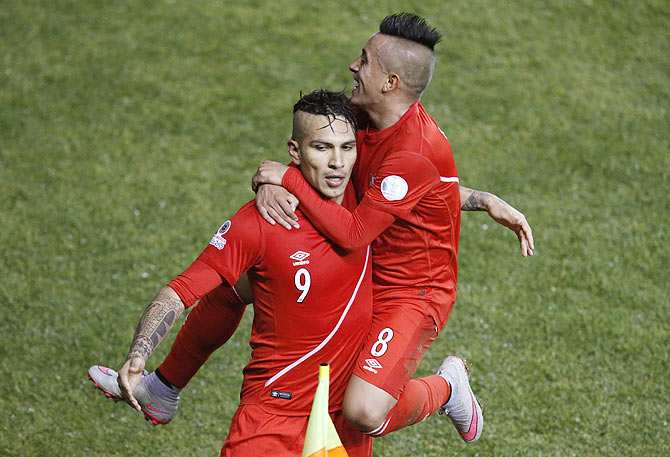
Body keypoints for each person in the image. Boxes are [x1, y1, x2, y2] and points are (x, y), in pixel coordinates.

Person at [93, 12, 533, 446]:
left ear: (391, 83)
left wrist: (285, 180)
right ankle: (164, 389)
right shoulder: (363, 118)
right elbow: (350, 164)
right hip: (364, 261)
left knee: (361, 410)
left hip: (411, 291)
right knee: (235, 284)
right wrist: (273, 180)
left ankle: (447, 388)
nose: (353, 66)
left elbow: (358, 229)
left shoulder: (415, 150)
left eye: (365, 60)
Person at [90, 90, 377, 456]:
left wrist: (475, 199)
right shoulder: (261, 222)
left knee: (239, 288)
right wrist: (138, 352)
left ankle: (163, 386)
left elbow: (426, 189)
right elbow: (180, 292)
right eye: (322, 148)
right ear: (295, 151)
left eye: (347, 147)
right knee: (236, 283)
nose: (338, 162)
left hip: (340, 419)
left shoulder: (366, 193)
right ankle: (162, 384)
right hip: (273, 417)